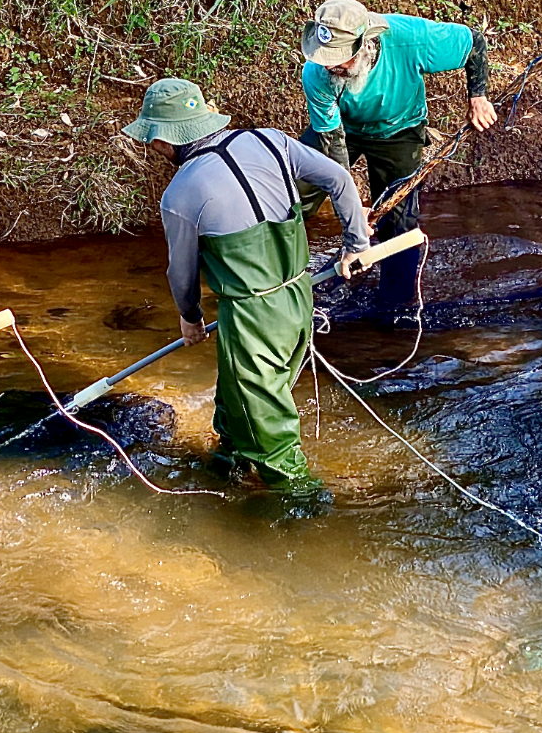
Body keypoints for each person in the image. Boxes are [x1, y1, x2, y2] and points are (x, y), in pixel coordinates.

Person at [122, 78, 370, 499]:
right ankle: (225, 470)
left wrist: (190, 318)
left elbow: (180, 273)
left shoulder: (180, 194)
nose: (151, 147)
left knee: (270, 430)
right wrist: (355, 245)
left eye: (151, 139)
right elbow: (340, 181)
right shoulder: (271, 141)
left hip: (252, 319)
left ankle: (306, 508)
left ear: (165, 138)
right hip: (299, 297)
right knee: (239, 405)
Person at [298, 0, 497, 309]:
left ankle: (396, 306)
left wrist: (478, 97)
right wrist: (349, 208)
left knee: (398, 222)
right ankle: (271, 275)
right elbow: (332, 143)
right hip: (342, 128)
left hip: (398, 130)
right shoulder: (317, 73)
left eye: (339, 59)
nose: (330, 67)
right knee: (293, 191)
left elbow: (473, 42)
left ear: (365, 44)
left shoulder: (411, 39)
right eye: (325, 58)